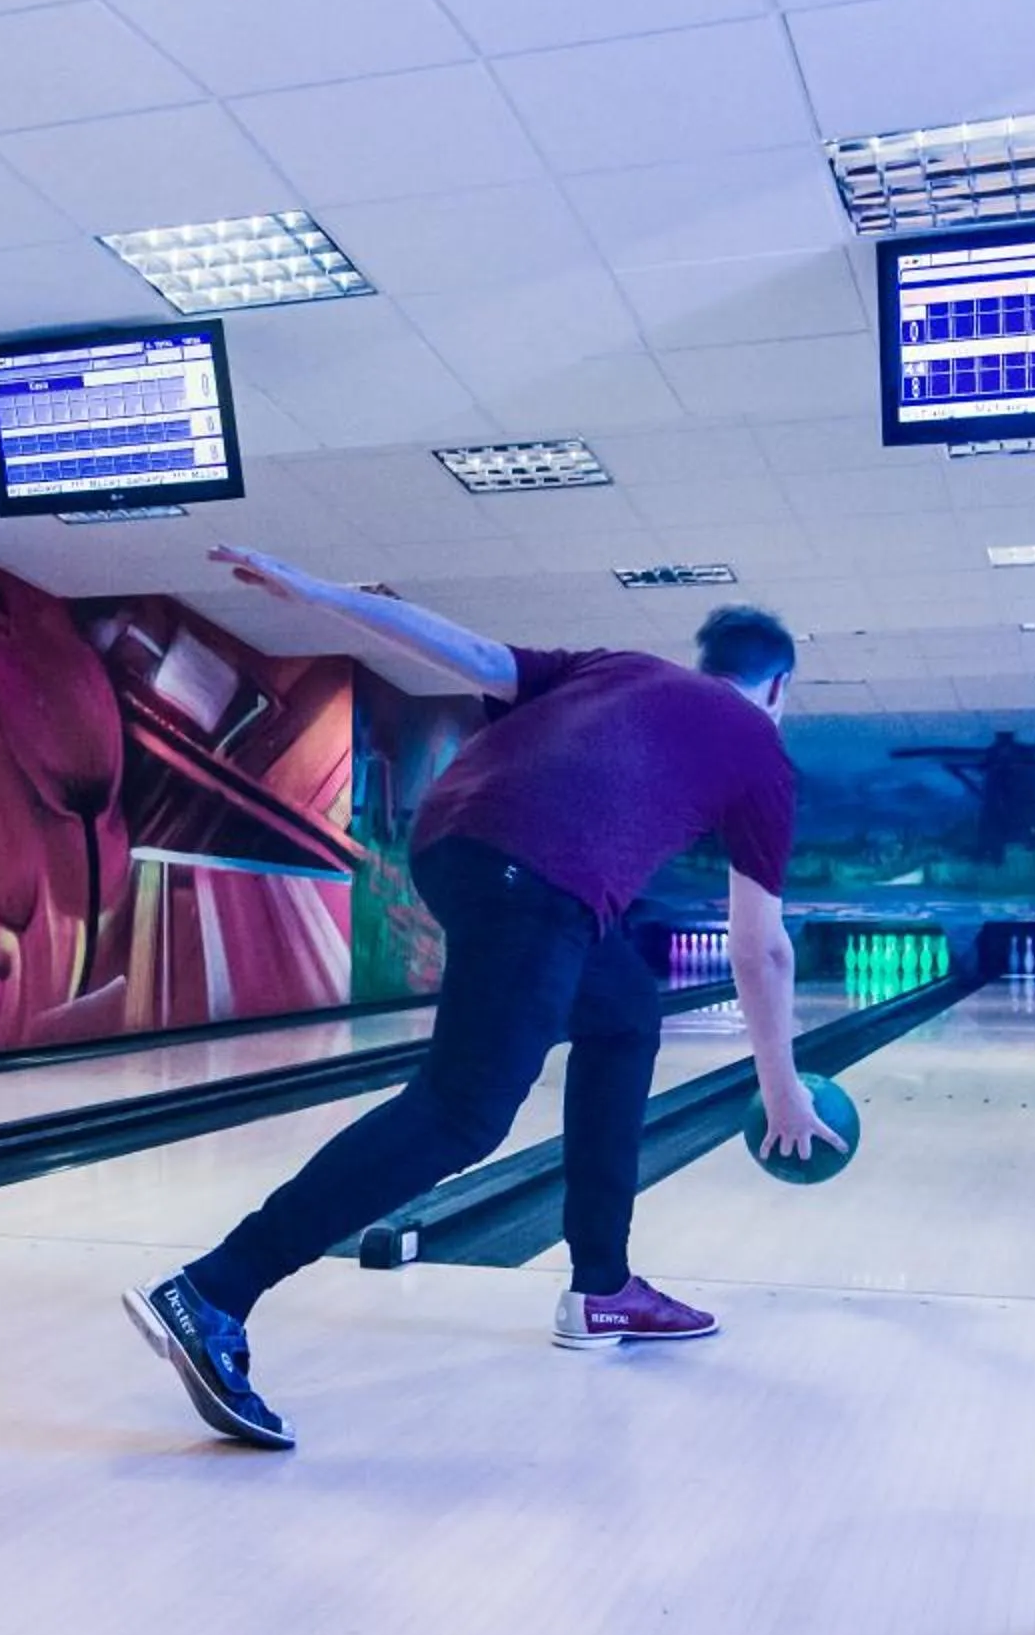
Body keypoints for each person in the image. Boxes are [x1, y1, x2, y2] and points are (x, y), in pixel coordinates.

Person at [125, 547, 839, 1449]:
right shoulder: (761, 752)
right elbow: (760, 946)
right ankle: (214, 1290)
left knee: (622, 1012)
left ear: (709, 669)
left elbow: (466, 654)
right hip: (537, 876)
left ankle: (603, 1284)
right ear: (778, 687)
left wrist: (320, 594)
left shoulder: (620, 667)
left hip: (452, 846)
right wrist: (779, 1084)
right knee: (462, 1114)